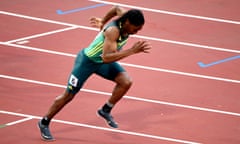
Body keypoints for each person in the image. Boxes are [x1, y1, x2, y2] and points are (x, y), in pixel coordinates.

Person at [38, 5, 151, 141]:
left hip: (101, 64)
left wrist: (103, 20)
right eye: (136, 28)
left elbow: (116, 8)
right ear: (127, 23)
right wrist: (132, 51)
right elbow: (107, 57)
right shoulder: (113, 31)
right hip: (87, 62)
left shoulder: (125, 15)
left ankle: (105, 110)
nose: (137, 32)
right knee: (68, 96)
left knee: (126, 81)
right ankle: (44, 122)